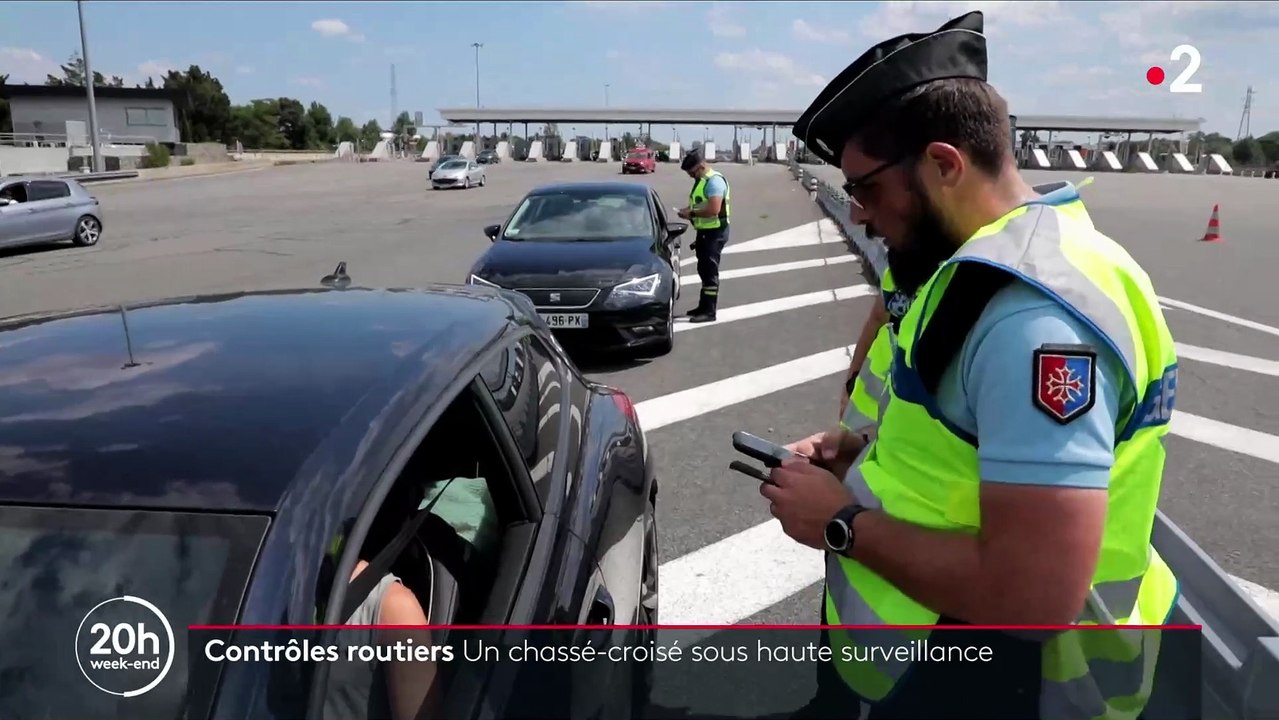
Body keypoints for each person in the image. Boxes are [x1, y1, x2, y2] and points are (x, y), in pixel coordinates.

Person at [765, 10, 1180, 719]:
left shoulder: (1030, 319)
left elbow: (1032, 597)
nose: (858, 214)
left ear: (943, 166)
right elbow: (964, 447)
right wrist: (862, 454)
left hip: (998, 685)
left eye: (866, 189)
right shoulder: (994, 265)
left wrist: (840, 524)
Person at [677, 148, 731, 322]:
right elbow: (703, 204)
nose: (691, 176)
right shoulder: (703, 181)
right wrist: (689, 211)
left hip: (715, 233)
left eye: (692, 173)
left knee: (709, 272)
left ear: (700, 166)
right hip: (706, 232)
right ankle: (703, 306)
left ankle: (709, 311)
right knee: (704, 270)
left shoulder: (714, 182)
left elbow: (714, 209)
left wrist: (692, 213)